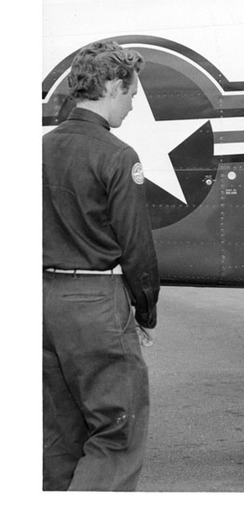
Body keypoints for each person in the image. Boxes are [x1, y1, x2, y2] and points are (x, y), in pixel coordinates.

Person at [42, 40, 160, 490]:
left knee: (60, 436)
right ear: (112, 86)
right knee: (117, 433)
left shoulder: (40, 148)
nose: (131, 106)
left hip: (42, 302)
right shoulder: (117, 156)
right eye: (131, 94)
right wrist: (145, 310)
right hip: (94, 305)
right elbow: (136, 249)